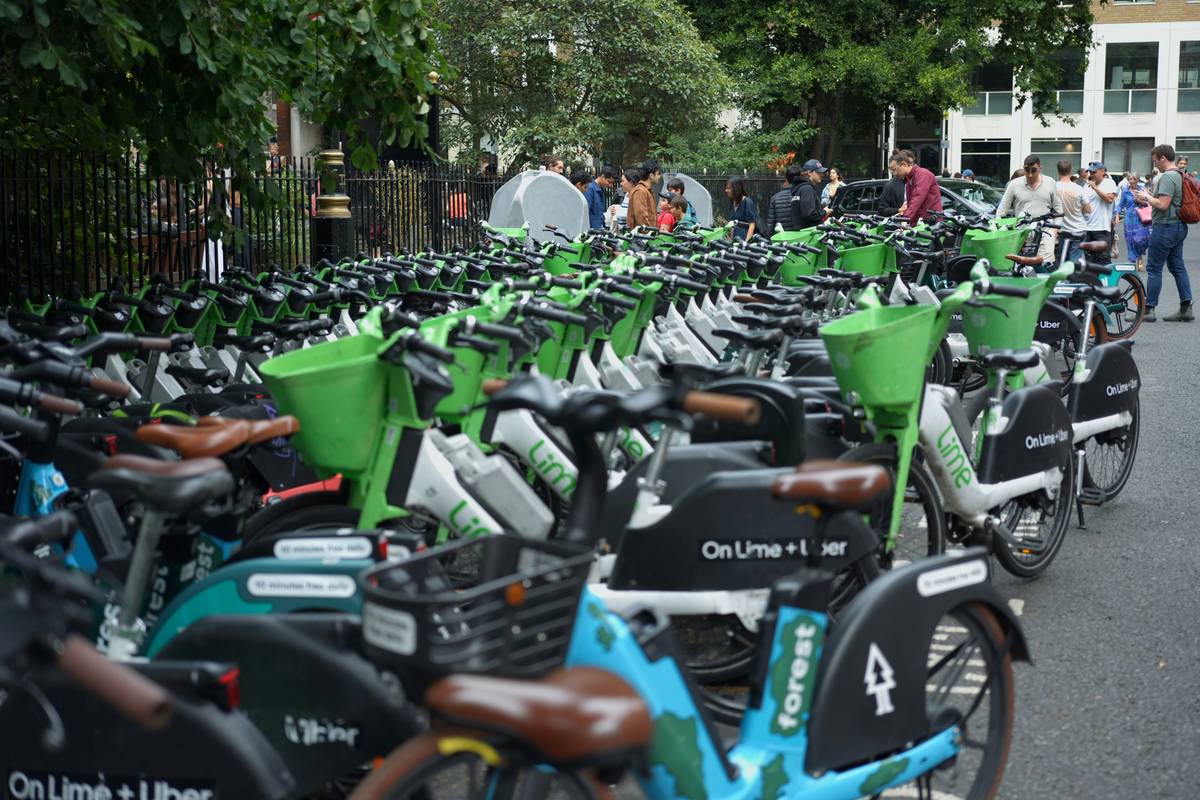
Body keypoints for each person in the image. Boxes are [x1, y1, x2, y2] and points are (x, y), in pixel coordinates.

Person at [1136, 144, 1192, 322]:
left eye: (1156, 161)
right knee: (1177, 267)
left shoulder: (1168, 176)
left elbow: (1163, 204)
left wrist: (1146, 197)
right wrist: (1151, 197)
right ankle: (1186, 308)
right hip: (1179, 225)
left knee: (1153, 268)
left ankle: (1149, 309)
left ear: (1163, 158)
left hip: (1165, 227)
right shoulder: (1181, 175)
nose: (1155, 165)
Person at [997, 155, 1063, 263]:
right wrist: (1001, 230)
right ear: (1024, 168)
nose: (1030, 175)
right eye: (1027, 170)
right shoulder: (1014, 184)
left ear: (1040, 168)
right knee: (1020, 266)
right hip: (1021, 234)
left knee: (1045, 265)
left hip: (1045, 232)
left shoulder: (1050, 182)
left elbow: (1058, 207)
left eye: (1034, 170)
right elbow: (1002, 209)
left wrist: (1056, 230)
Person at [1081, 161, 1118, 270]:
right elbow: (1084, 205)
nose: (1091, 174)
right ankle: (1094, 284)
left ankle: (1107, 285)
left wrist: (1095, 188)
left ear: (1102, 171)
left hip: (1102, 228)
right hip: (1087, 228)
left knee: (1103, 260)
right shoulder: (1086, 186)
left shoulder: (1109, 183)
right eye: (1090, 172)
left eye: (1094, 172)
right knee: (1089, 261)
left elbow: (1110, 199)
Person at [1055, 159, 1092, 266]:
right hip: (1078, 228)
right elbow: (1088, 209)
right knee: (1075, 258)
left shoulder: (1054, 187)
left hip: (1062, 229)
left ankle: (1064, 280)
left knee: (1063, 258)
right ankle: (1073, 279)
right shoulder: (1079, 189)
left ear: (1058, 171)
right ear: (1071, 171)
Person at [892, 149, 943, 225]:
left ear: (904, 164)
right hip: (923, 223)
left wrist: (905, 217)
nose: (894, 173)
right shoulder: (910, 179)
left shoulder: (922, 174)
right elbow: (913, 203)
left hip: (931, 223)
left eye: (895, 169)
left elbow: (917, 198)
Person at [1114, 171, 1151, 271]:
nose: (1131, 181)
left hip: (1141, 218)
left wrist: (1139, 201)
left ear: (1137, 180)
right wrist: (1117, 214)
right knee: (1130, 240)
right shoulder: (1125, 190)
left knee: (1142, 239)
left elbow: (1148, 203)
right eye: (1130, 179)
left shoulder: (1142, 190)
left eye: (1134, 179)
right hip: (1129, 218)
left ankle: (1139, 256)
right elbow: (1121, 204)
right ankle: (1132, 261)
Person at [790, 158, 826, 229]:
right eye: (818, 172)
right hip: (809, 234)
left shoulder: (800, 188)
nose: (822, 175)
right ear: (809, 173)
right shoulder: (807, 189)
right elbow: (809, 214)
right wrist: (824, 212)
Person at [766, 166, 803, 232]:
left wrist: (769, 238)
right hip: (800, 236)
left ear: (786, 178)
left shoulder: (775, 198)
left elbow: (770, 223)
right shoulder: (803, 194)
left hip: (782, 236)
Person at [725, 175, 759, 240]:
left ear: (736, 189)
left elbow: (752, 225)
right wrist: (731, 241)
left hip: (745, 242)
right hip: (736, 241)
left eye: (728, 188)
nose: (726, 190)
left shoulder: (747, 202)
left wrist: (746, 243)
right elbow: (733, 225)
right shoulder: (732, 203)